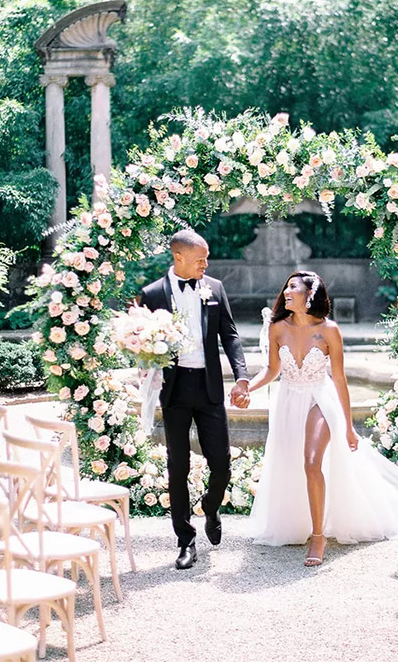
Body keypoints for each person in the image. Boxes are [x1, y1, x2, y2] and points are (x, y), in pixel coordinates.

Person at [246, 271, 398, 566]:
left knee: (312, 462)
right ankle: (303, 520)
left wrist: (348, 427)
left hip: (319, 399)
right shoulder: (276, 328)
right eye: (286, 287)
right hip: (287, 400)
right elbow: (272, 370)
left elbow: (339, 380)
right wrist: (247, 385)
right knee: (291, 463)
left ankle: (319, 536)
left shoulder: (329, 331)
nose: (286, 291)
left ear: (310, 294)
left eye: (293, 287)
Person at [139, 230, 250, 570]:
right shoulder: (152, 294)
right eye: (200, 258)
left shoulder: (214, 288)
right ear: (179, 257)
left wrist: (241, 374)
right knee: (178, 466)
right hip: (174, 391)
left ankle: (212, 507)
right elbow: (142, 342)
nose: (206, 263)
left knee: (222, 463)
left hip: (209, 386)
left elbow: (228, 334)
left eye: (206, 258)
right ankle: (185, 540)